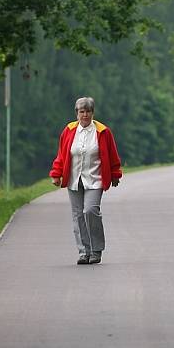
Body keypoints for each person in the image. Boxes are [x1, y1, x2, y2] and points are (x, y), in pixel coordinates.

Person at [50, 97, 122, 265]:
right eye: (82, 112)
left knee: (90, 211)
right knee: (77, 215)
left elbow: (112, 155)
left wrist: (115, 174)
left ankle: (96, 250)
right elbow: (62, 154)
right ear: (77, 113)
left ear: (92, 113)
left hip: (95, 179)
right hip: (75, 179)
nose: (85, 115)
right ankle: (84, 252)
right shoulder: (69, 130)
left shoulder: (103, 131)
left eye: (88, 111)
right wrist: (56, 173)